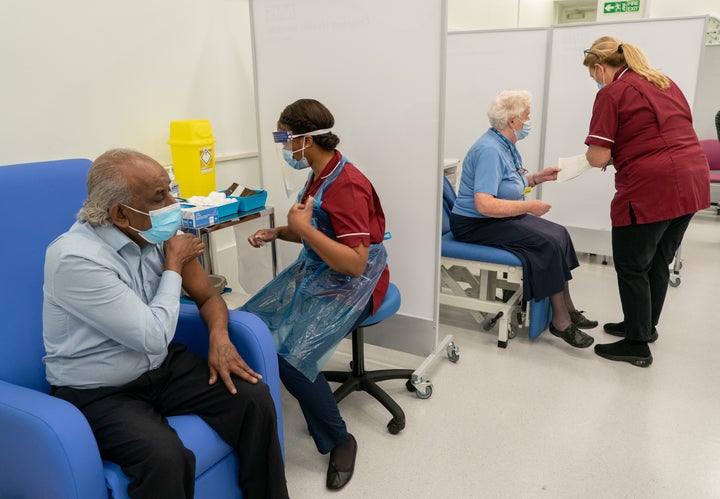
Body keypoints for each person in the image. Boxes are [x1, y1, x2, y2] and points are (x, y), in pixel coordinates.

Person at [43, 149, 289, 499]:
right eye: (161, 197)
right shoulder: (76, 259)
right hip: (98, 390)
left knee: (253, 398)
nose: (173, 203)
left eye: (170, 189)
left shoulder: (151, 233)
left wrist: (220, 337)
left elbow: (208, 297)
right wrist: (173, 264)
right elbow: (154, 336)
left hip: (160, 369)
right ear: (120, 214)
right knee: (166, 457)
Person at [242, 98, 389, 490]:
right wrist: (277, 232)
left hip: (357, 285)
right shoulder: (319, 173)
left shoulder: (348, 185)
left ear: (304, 140)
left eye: (283, 138)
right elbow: (309, 224)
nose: (282, 147)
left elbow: (356, 263)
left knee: (292, 359)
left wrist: (303, 232)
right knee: (248, 322)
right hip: (321, 271)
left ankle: (340, 441)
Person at [582, 37, 710, 367]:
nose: (595, 81)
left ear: (600, 67)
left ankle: (636, 345)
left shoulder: (612, 93)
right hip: (693, 181)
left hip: (653, 185)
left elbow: (597, 156)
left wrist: (587, 159)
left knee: (631, 264)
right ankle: (643, 326)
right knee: (658, 261)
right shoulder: (664, 82)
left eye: (593, 74)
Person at [450, 89, 597, 349]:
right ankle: (560, 322)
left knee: (559, 233)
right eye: (526, 117)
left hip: (495, 218)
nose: (529, 122)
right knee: (548, 243)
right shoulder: (489, 150)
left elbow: (507, 184)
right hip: (474, 225)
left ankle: (569, 308)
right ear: (512, 121)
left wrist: (537, 178)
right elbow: (484, 204)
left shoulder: (505, 145)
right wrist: (528, 207)